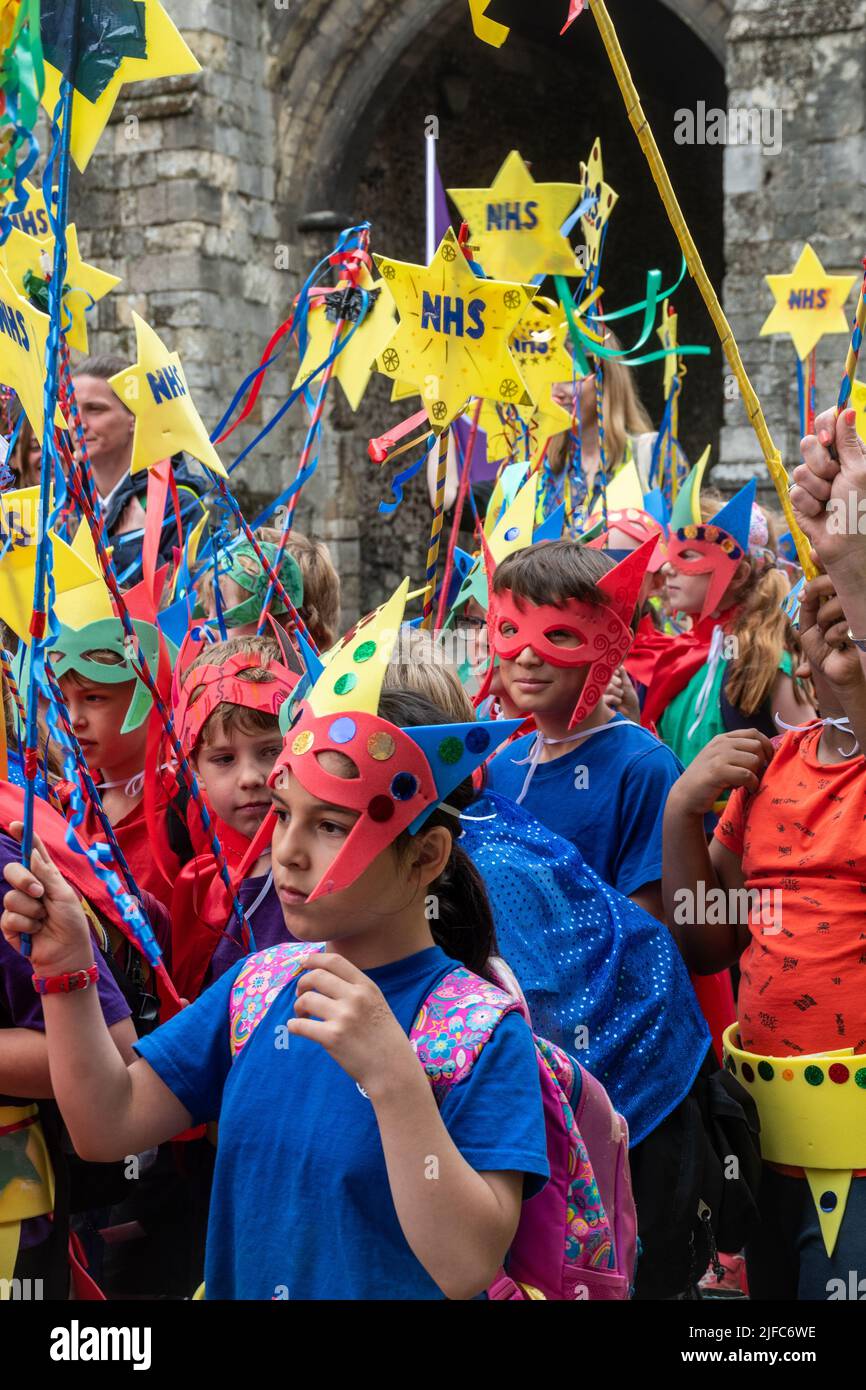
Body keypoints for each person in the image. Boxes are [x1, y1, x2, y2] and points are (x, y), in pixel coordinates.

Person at [0, 661, 549, 1300]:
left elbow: (466, 1265)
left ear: (425, 856)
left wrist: (395, 1079)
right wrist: (68, 972)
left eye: (331, 826)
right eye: (285, 813)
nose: (286, 849)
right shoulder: (259, 987)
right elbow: (106, 1124)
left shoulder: (478, 1028)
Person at [662, 569, 866, 1299]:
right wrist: (682, 810)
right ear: (799, 659)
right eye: (828, 620)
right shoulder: (769, 769)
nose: (845, 629)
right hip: (769, 1135)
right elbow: (708, 941)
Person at [483, 538, 682, 922]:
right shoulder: (502, 765)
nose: (527, 656)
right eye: (511, 629)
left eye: (557, 634)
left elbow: (651, 920)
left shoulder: (643, 768)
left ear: (611, 645)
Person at [643, 465, 814, 783]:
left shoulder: (765, 661)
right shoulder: (681, 657)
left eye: (689, 555)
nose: (668, 568)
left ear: (737, 574)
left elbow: (808, 764)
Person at [167, 634, 298, 1002]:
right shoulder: (198, 887)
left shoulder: (324, 871)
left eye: (271, 750)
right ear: (194, 769)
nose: (250, 777)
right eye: (224, 759)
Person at [70, 355, 208, 586]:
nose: (78, 422)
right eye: (72, 409)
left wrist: (132, 546)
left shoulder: (177, 504)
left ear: (134, 418)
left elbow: (189, 606)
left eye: (95, 409)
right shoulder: (63, 501)